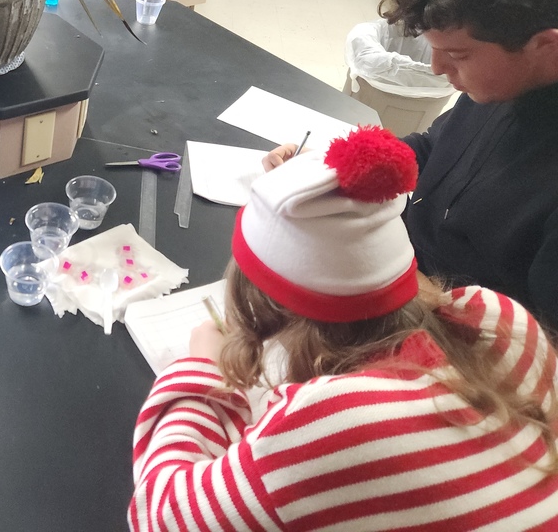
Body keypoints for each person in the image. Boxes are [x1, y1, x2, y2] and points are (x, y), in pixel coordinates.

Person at [130, 126, 558, 531]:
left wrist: (203, 370)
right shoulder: (505, 321)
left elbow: (161, 515)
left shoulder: (338, 421)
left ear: (271, 314)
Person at [264, 0, 558, 331]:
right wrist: (340, 165)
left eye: (458, 54)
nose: (437, 68)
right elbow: (434, 149)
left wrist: (410, 289)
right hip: (399, 273)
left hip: (456, 341)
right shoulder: (504, 82)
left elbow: (541, 349)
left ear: (546, 47)